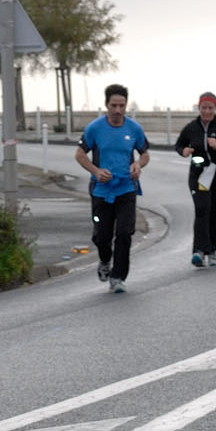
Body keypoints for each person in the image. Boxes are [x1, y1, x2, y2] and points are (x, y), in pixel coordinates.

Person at [74, 83, 151, 293]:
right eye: (114, 105)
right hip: (101, 191)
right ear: (106, 105)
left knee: (125, 234)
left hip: (126, 188)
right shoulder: (95, 128)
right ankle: (105, 261)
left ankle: (118, 277)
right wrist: (96, 171)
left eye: (122, 105)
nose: (118, 110)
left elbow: (145, 154)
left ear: (126, 105)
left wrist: (138, 165)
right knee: (102, 237)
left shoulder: (133, 128)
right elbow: (80, 154)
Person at [176, 91, 216, 266]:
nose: (207, 112)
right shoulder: (191, 127)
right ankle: (199, 251)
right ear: (199, 107)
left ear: (215, 108)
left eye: (210, 108)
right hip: (199, 175)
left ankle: (212, 250)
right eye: (204, 108)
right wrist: (184, 151)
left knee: (213, 211)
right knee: (202, 209)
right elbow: (179, 144)